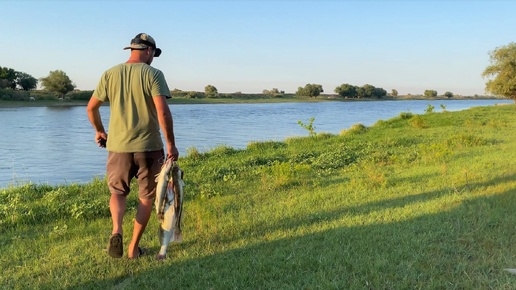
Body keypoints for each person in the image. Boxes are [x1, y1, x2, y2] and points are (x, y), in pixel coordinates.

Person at [86, 33, 179, 259]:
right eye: (153, 54)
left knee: (117, 192)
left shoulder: (110, 74)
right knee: (146, 197)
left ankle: (117, 230)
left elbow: (91, 108)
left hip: (117, 146)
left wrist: (100, 131)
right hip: (149, 146)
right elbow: (163, 111)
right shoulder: (153, 74)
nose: (153, 58)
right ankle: (132, 249)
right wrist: (171, 145)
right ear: (148, 51)